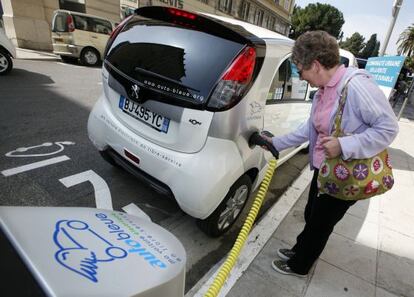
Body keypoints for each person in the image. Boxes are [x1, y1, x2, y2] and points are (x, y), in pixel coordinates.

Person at [262, 30, 399, 277]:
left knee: (319, 224)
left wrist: (344, 145)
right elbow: (310, 128)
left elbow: (388, 128)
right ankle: (299, 250)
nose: (301, 78)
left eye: (300, 71)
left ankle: (300, 265)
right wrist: (276, 143)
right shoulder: (325, 90)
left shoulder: (357, 86)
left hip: (346, 174)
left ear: (315, 65)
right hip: (325, 170)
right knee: (311, 215)